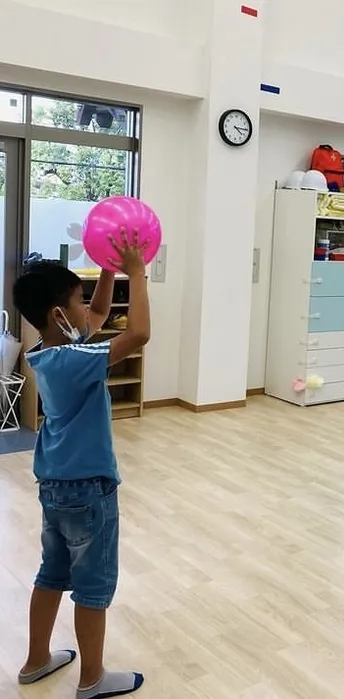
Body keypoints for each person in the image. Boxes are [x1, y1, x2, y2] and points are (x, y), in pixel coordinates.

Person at [12, 231, 151, 698]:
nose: (86, 307)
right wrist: (137, 271)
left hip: (54, 484)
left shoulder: (48, 353)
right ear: (58, 314)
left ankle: (35, 661)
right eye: (77, 299)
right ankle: (92, 679)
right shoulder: (79, 359)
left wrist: (107, 269)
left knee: (52, 573)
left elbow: (96, 317)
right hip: (88, 489)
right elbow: (139, 333)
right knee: (92, 586)